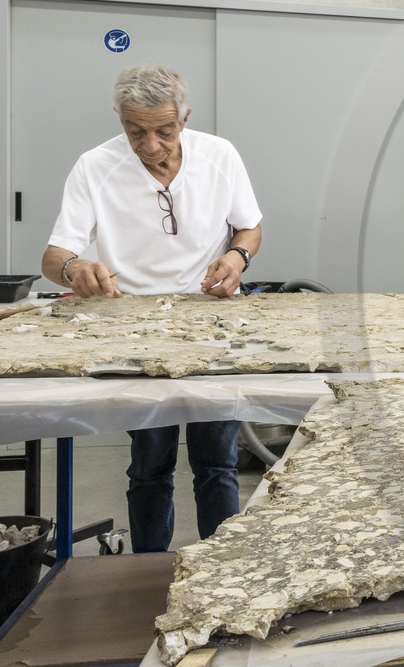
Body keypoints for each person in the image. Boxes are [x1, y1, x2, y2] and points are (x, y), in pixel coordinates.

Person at [41, 64, 263, 554]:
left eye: (164, 131)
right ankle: (145, 571)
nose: (151, 145)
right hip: (135, 330)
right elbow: (53, 258)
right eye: (135, 131)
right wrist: (76, 268)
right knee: (150, 463)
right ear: (119, 117)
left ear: (184, 118)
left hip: (210, 322)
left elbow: (249, 227)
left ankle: (220, 569)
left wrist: (237, 256)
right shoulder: (95, 167)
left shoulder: (219, 156)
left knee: (217, 462)